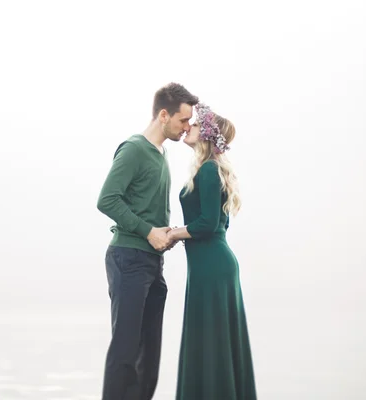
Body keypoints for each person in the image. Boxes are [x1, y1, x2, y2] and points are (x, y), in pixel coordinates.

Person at [96, 83, 199, 400]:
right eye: (183, 121)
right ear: (163, 115)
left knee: (148, 362)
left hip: (154, 265)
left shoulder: (162, 153)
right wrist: (147, 231)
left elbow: (145, 206)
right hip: (128, 259)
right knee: (125, 354)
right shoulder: (134, 148)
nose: (187, 128)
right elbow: (107, 200)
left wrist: (165, 232)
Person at [167, 103, 257, 399]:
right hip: (215, 263)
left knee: (209, 337)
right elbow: (222, 223)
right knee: (213, 338)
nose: (188, 127)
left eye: (194, 124)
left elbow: (207, 225)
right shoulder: (211, 169)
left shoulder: (208, 170)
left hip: (210, 266)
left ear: (205, 133)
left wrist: (172, 234)